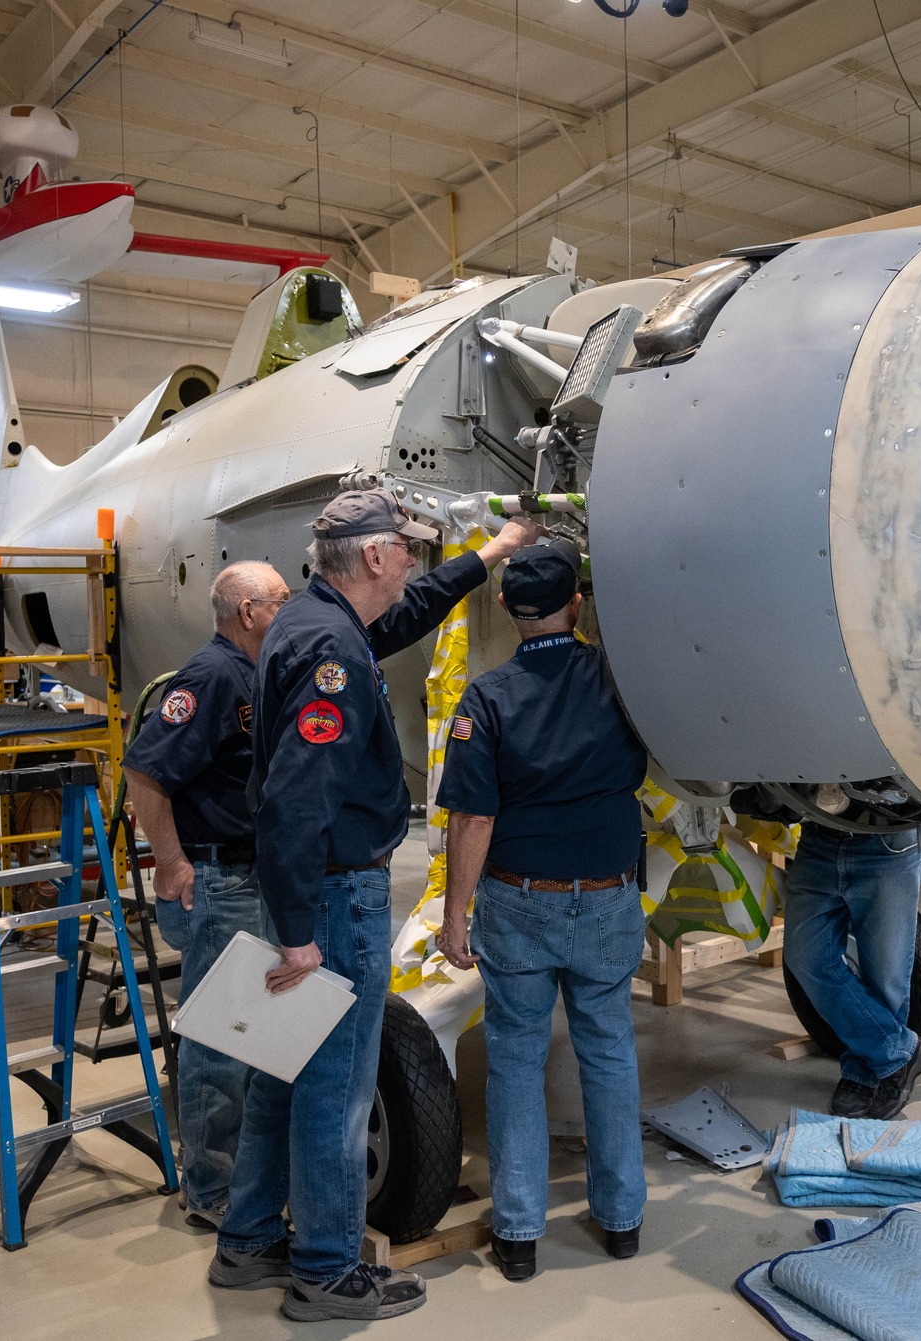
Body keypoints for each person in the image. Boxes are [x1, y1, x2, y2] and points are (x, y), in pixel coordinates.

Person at [212, 488, 542, 1321]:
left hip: (309, 890)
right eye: (405, 547)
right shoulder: (330, 650)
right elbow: (293, 802)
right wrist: (295, 934)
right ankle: (326, 1269)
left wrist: (493, 550)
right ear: (373, 557)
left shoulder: (314, 618)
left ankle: (249, 1238)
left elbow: (407, 617)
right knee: (336, 1085)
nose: (411, 558)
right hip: (330, 894)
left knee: (284, 1072)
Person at [436, 538, 650, 1283]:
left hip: (520, 902)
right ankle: (622, 1221)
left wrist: (455, 913)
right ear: (578, 603)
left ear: (504, 608)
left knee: (517, 1062)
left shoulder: (488, 698)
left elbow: (473, 820)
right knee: (610, 1050)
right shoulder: (623, 681)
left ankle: (521, 1235)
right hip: (608, 896)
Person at [123, 560, 289, 1229]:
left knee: (253, 1036)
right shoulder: (211, 676)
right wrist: (170, 862)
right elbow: (145, 769)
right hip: (218, 879)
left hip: (253, 875)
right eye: (281, 597)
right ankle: (211, 1190)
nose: (289, 606)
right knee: (220, 1045)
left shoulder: (254, 673)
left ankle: (243, 1177)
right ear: (248, 610)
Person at [781, 824, 921, 1120]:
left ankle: (864, 1073)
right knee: (805, 956)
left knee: (886, 977)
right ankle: (899, 1051)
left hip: (888, 843)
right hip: (820, 838)